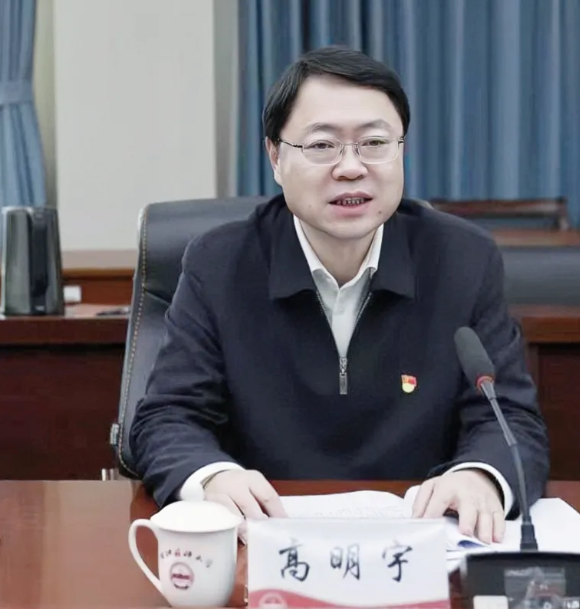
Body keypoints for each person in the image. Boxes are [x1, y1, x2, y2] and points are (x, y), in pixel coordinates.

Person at [129, 46, 549, 544]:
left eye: (374, 143)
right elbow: (168, 416)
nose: (351, 168)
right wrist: (212, 477)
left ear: (401, 151)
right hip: (261, 547)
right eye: (323, 145)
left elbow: (508, 417)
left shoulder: (462, 259)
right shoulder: (220, 264)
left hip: (423, 550)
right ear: (275, 157)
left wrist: (481, 475)